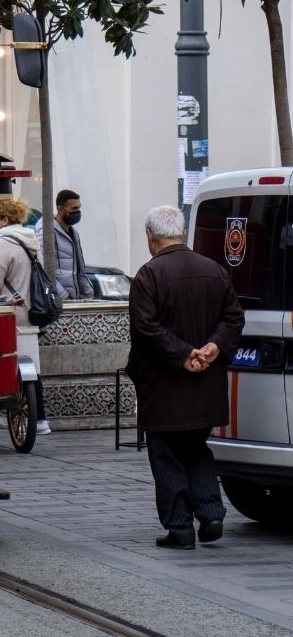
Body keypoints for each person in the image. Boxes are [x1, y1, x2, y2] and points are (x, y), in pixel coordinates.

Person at [127, 204, 245, 550]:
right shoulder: (214, 270)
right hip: (206, 382)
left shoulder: (148, 275)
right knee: (197, 448)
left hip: (164, 385)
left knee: (165, 453)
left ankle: (179, 527)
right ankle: (211, 511)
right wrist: (211, 348)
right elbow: (233, 317)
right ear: (181, 232)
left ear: (151, 236)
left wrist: (183, 355)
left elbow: (146, 327)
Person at [0, 198, 51, 436]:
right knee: (31, 369)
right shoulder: (30, 242)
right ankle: (41, 419)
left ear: (4, 219)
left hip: (7, 315)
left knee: (2, 365)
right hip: (30, 313)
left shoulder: (2, 243)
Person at [35, 188, 93, 300]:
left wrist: (87, 294)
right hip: (59, 301)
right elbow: (43, 267)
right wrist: (63, 296)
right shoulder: (47, 232)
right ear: (60, 210)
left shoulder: (73, 233)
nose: (78, 212)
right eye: (74, 208)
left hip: (73, 299)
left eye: (79, 208)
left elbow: (79, 269)